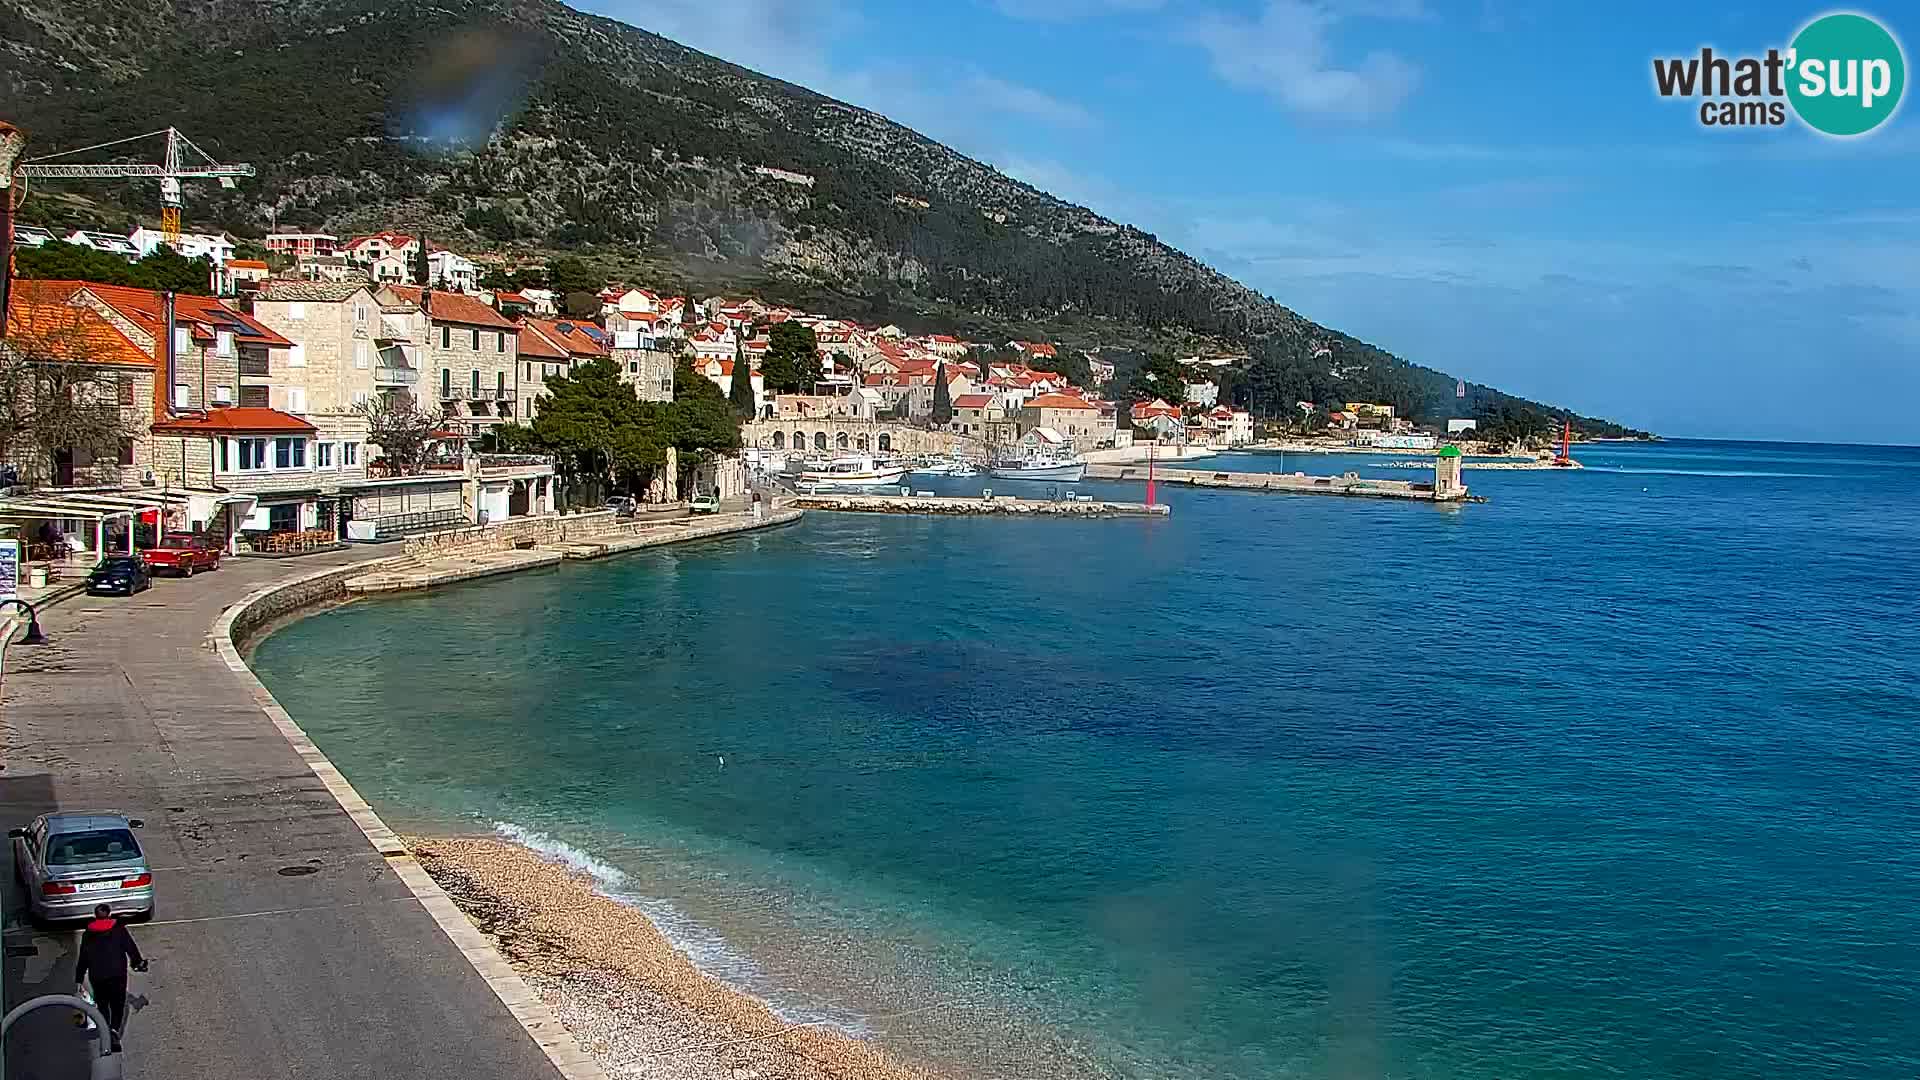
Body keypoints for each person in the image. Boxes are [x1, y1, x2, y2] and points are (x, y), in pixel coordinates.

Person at [75, 904, 146, 1053]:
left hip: (97, 975)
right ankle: (114, 1031)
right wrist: (137, 962)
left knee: (102, 1004)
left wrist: (79, 978)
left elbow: (83, 957)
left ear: (96, 916)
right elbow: (130, 948)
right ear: (109, 914)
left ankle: (105, 1030)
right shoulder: (118, 929)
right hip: (117, 975)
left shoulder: (88, 933)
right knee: (118, 1005)